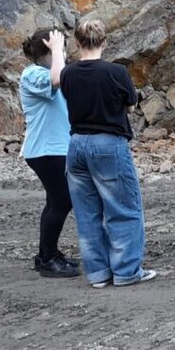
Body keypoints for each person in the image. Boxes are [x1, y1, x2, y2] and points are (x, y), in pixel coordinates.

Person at [60, 20, 155, 288]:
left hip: (77, 144)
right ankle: (126, 271)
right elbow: (130, 107)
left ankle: (98, 273)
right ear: (105, 42)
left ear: (77, 43)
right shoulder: (116, 72)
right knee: (123, 208)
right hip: (108, 143)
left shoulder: (68, 73)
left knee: (87, 212)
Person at [19, 28, 79, 278]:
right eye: (60, 48)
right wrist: (56, 50)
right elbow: (57, 79)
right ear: (46, 50)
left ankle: (47, 252)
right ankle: (47, 258)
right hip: (45, 149)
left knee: (55, 201)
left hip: (56, 148)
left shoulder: (45, 71)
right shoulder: (33, 74)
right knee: (62, 200)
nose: (63, 53)